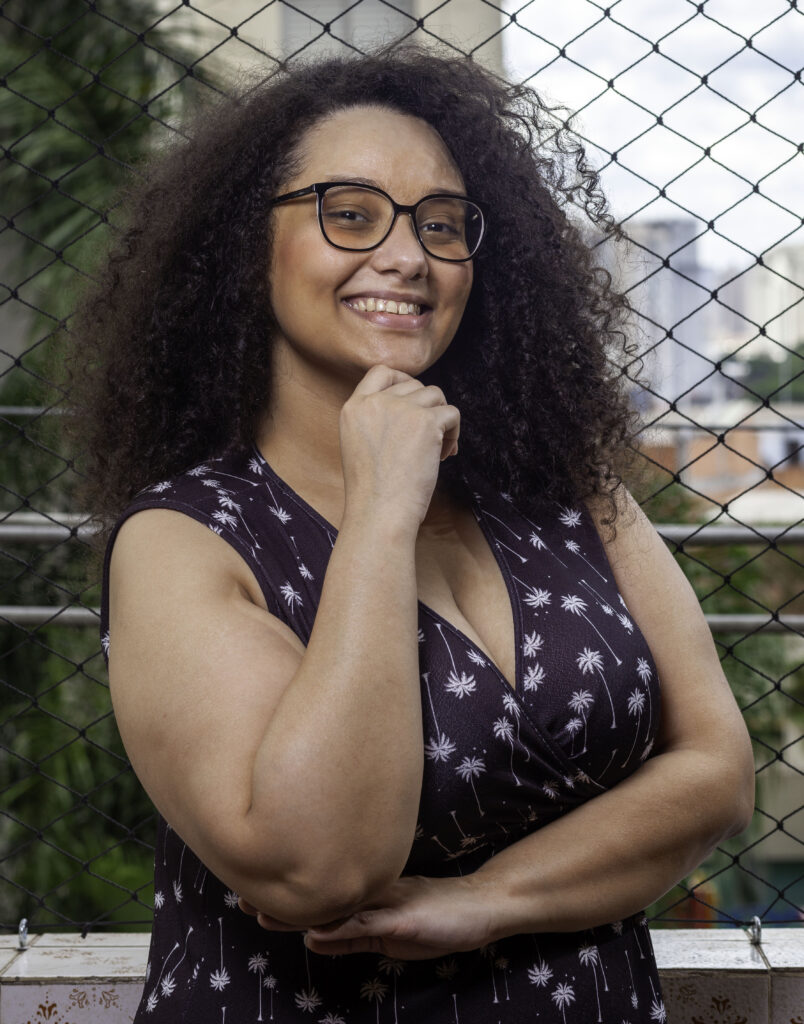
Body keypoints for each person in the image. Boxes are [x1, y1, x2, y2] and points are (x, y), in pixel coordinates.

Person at [69, 45, 754, 1022]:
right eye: (349, 214)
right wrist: (382, 509)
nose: (406, 254)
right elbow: (318, 865)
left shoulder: (570, 490)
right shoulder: (186, 537)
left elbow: (718, 771)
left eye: (442, 224)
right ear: (242, 244)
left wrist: (490, 899)